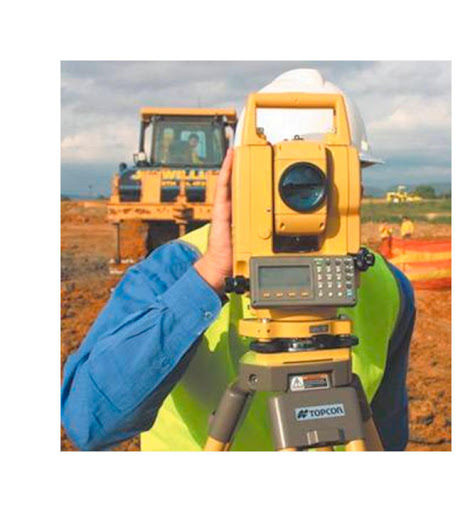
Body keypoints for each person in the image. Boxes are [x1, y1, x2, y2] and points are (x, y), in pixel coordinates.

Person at [61, 69, 415, 451]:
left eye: (325, 179)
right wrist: (207, 279)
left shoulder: (388, 286)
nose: (307, 198)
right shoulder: (178, 269)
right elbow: (88, 420)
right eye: (291, 182)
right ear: (239, 175)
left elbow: (386, 434)